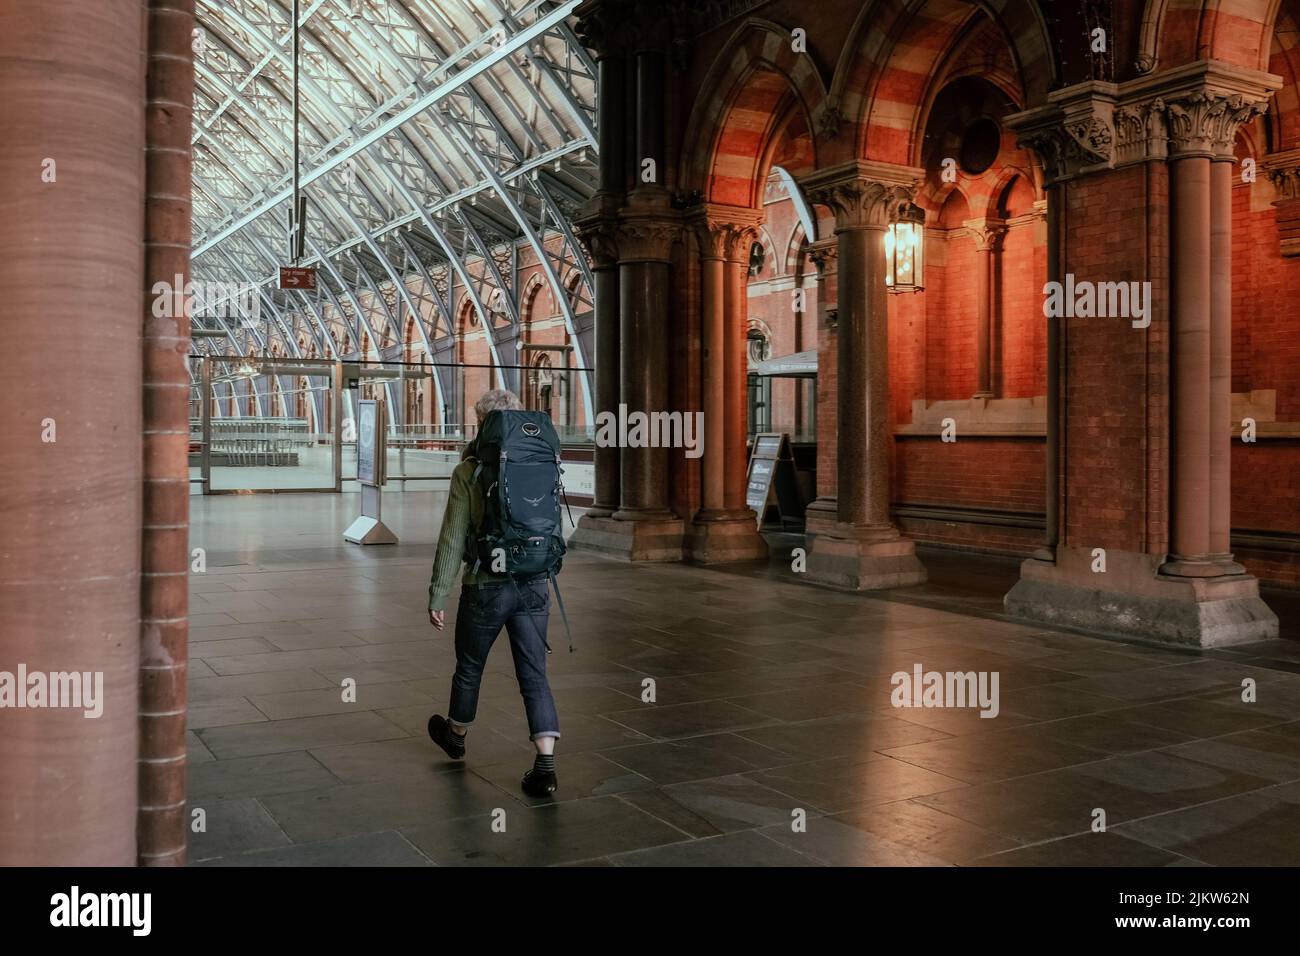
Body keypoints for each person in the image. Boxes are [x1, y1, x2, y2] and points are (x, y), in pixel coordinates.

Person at [426, 389, 561, 796]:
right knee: (534, 675)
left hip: (486, 585)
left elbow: (452, 538)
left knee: (470, 666)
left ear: (483, 422)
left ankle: (457, 734)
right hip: (535, 583)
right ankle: (545, 763)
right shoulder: (540, 460)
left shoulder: (468, 471)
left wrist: (438, 595)